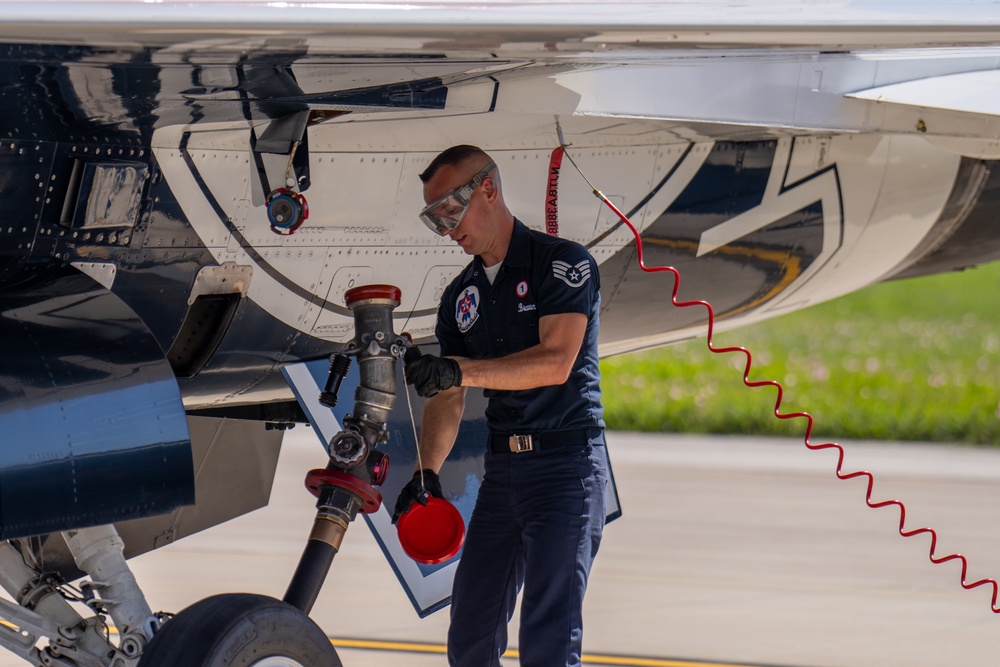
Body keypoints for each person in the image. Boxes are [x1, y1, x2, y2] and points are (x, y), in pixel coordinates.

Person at [391, 144, 608, 667]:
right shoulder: (459, 296)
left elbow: (556, 361)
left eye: (449, 210)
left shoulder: (563, 264)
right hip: (503, 472)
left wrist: (458, 369)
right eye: (433, 218)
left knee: (547, 638)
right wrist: (427, 473)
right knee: (470, 632)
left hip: (564, 466)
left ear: (488, 188)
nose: (446, 229)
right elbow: (449, 394)